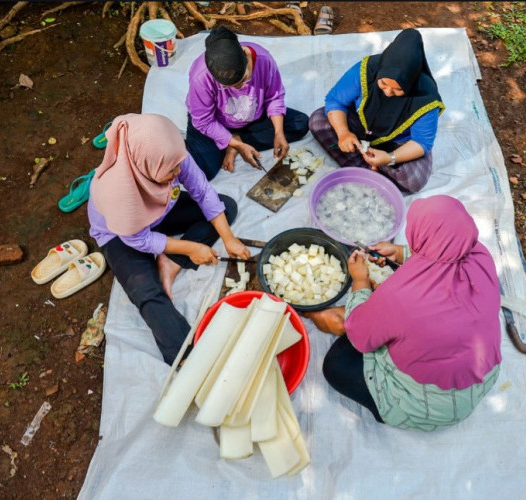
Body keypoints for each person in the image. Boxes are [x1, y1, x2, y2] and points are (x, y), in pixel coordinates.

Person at [305, 196, 501, 430]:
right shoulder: (480, 255)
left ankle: (393, 407)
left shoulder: (401, 297)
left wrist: (360, 280)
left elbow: (360, 336)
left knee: (337, 364)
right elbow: (443, 253)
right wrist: (399, 253)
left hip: (426, 407)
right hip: (477, 380)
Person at [88, 113, 250, 365]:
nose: (178, 173)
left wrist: (228, 238)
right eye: (170, 171)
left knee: (224, 207)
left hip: (160, 211)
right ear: (146, 168)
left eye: (178, 165)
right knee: (146, 291)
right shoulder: (117, 192)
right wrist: (191, 247)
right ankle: (186, 355)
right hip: (122, 234)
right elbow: (138, 240)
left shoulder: (170, 155)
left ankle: (169, 261)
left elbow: (202, 190)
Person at [309, 28, 445, 194]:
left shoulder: (426, 98)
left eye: (397, 90)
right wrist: (343, 133)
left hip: (398, 143)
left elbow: (421, 143)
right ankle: (370, 169)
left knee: (413, 179)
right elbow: (335, 100)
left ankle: (367, 166)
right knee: (317, 121)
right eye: (383, 84)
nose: (388, 93)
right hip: (360, 126)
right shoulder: (366, 70)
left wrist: (390, 158)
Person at [185, 26, 309, 179]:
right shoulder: (201, 76)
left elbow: (274, 96)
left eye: (244, 80)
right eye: (230, 86)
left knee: (300, 123)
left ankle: (237, 140)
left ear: (246, 55)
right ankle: (232, 142)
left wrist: (278, 132)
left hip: (252, 116)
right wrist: (234, 144)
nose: (240, 88)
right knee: (201, 171)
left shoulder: (264, 59)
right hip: (215, 123)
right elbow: (203, 121)